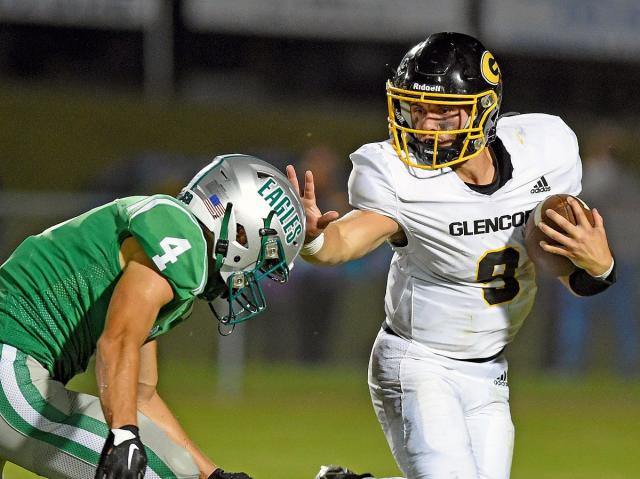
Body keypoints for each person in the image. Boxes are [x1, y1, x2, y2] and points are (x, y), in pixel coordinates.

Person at [287, 32, 616, 479]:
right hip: (418, 363)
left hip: (491, 372)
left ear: (484, 109)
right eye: (416, 109)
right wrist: (313, 240)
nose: (424, 126)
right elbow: (345, 241)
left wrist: (599, 267)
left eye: (442, 112)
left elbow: (564, 265)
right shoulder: (400, 175)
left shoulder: (544, 149)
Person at [0, 154, 305, 479]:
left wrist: (211, 475)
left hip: (14, 357)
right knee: (163, 471)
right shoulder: (182, 240)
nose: (255, 274)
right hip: (10, 360)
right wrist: (123, 435)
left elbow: (141, 393)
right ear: (242, 233)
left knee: (180, 468)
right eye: (265, 257)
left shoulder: (171, 245)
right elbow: (116, 341)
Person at [553, 128, 639, 377]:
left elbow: (580, 202)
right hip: (620, 258)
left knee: (580, 314)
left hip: (601, 258)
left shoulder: (608, 179)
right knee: (617, 316)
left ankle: (572, 367)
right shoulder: (630, 181)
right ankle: (624, 367)